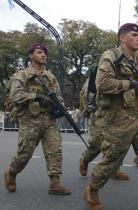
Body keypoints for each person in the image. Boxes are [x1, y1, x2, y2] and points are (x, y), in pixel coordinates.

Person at [83, 23, 138, 210]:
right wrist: (129, 84)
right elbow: (102, 83)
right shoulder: (111, 55)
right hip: (119, 119)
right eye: (134, 34)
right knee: (111, 160)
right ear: (122, 37)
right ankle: (92, 188)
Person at [4, 44, 70, 195]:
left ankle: (55, 185)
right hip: (29, 121)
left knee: (55, 150)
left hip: (49, 120)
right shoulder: (22, 75)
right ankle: (12, 173)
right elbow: (15, 96)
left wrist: (60, 107)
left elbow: (58, 96)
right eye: (39, 52)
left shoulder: (50, 77)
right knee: (24, 154)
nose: (43, 55)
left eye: (45, 53)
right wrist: (38, 96)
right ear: (30, 56)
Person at [78, 78, 129, 180]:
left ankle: (114, 169)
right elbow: (85, 93)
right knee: (97, 143)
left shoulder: (123, 72)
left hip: (116, 112)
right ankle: (85, 159)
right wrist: (87, 108)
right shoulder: (98, 72)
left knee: (115, 141)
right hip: (99, 112)